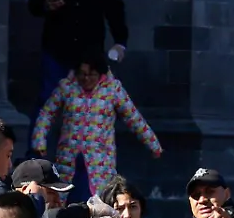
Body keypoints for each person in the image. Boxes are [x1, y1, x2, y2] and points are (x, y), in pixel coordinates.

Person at [27, 0, 128, 150]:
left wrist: (120, 41)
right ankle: (36, 154)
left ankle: (84, 157)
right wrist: (46, 5)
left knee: (88, 107)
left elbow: (115, 9)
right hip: (57, 49)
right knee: (47, 101)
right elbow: (33, 4)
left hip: (88, 55)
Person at [31, 51, 161, 202]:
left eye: (91, 74)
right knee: (63, 203)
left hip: (100, 162)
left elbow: (133, 118)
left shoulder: (112, 89)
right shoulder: (67, 87)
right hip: (69, 158)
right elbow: (47, 113)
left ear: (100, 73)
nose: (86, 78)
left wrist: (153, 144)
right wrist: (39, 141)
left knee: (99, 204)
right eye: (82, 74)